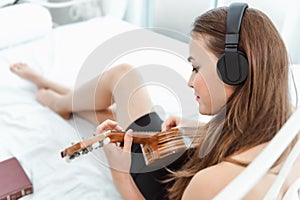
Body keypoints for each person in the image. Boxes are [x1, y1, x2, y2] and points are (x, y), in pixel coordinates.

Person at [10, 3, 300, 200]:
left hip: (164, 181)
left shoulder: (210, 183)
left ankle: (57, 99)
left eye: (196, 67)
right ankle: (59, 95)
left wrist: (119, 171)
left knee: (122, 80)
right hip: (185, 159)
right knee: (119, 94)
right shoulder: (285, 127)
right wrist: (195, 129)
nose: (189, 81)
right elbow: (239, 140)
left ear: (234, 73)